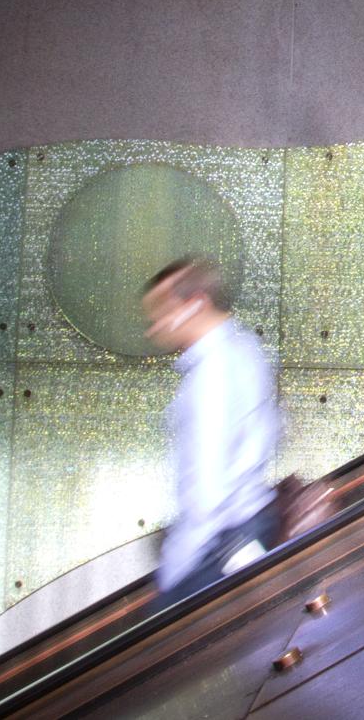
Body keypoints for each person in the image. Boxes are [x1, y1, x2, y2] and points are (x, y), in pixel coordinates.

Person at [142, 256, 282, 603]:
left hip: (214, 549)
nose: (154, 326)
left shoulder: (210, 374)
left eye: (162, 310)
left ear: (196, 304)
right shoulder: (247, 348)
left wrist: (174, 573)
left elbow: (206, 493)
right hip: (250, 525)